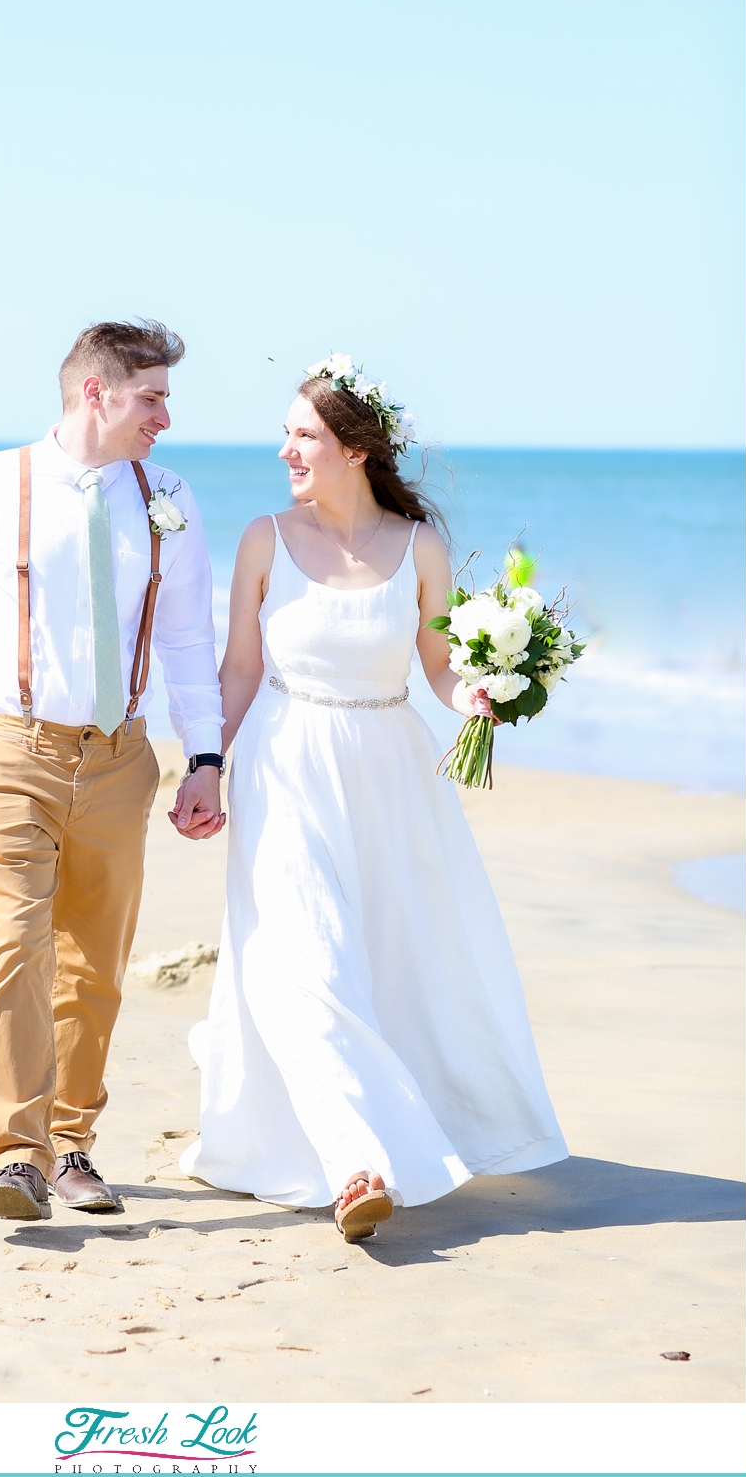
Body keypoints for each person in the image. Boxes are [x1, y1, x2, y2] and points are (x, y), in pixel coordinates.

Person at [181, 357, 568, 1242]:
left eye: (303, 436)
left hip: (389, 769)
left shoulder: (418, 546)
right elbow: (239, 667)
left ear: (355, 449)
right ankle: (359, 1160)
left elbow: (434, 666)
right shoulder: (262, 539)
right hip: (284, 763)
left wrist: (474, 693)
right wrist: (206, 763)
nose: (286, 450)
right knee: (302, 959)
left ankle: (407, 1125)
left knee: (393, 957)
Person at [0, 320, 225, 1223]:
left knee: (93, 963)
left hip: (121, 756)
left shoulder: (169, 496)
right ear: (96, 391)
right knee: (9, 946)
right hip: (7, 749)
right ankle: (15, 1155)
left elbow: (188, 638)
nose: (165, 416)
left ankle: (71, 1144)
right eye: (152, 397)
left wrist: (203, 756)